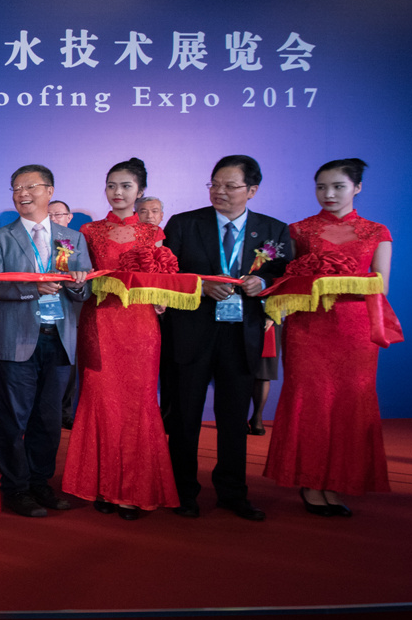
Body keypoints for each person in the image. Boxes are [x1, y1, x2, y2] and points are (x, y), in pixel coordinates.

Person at [164, 154, 291, 521]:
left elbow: (285, 275)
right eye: (214, 184)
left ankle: (233, 492)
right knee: (185, 416)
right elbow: (166, 274)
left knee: (234, 419)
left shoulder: (273, 230)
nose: (219, 191)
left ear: (252, 190)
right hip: (192, 332)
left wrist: (263, 282)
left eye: (230, 186)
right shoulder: (184, 224)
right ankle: (182, 491)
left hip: (242, 334)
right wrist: (201, 286)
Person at [264, 158, 392, 516]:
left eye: (338, 186)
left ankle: (339, 482)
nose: (328, 194)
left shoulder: (377, 232)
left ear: (357, 188)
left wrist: (333, 279)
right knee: (311, 403)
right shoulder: (298, 231)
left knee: (351, 404)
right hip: (309, 328)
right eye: (321, 187)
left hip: (355, 330)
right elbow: (283, 279)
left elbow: (381, 284)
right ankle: (310, 481)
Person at [61, 159, 180, 519]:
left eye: (126, 186)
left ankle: (132, 489)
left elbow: (161, 280)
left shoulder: (153, 233)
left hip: (140, 326)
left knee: (138, 403)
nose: (117, 192)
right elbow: (79, 276)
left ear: (140, 191)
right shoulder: (89, 231)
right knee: (100, 401)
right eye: (111, 185)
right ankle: (102, 485)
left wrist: (160, 296)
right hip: (99, 321)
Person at [0, 166, 91, 517]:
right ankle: (14, 488)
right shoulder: (0, 238)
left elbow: (85, 291)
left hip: (59, 339)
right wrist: (31, 289)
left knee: (48, 420)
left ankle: (40, 483)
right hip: (16, 339)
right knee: (13, 420)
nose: (22, 193)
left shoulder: (72, 238)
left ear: (49, 191)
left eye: (30, 186)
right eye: (16, 187)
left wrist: (78, 283)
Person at [49, 199, 80, 429]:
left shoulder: (71, 241)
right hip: (38, 310)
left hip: (68, 310)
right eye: (49, 215)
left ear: (69, 217)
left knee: (68, 367)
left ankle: (64, 413)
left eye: (58, 215)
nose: (53, 219)